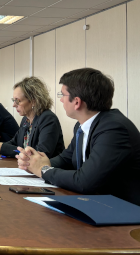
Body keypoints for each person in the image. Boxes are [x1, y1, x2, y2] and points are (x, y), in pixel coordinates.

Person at [17, 68, 140, 205]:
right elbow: (67, 158)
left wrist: (43, 170)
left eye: (62, 94)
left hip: (124, 211)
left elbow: (85, 181)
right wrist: (33, 162)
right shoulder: (82, 126)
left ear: (77, 102)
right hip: (97, 202)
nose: (61, 100)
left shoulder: (114, 129)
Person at [0, 77, 64, 158]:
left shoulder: (48, 119)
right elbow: (15, 142)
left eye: (18, 101)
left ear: (34, 101)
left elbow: (41, 153)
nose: (14, 105)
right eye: (13, 100)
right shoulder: (26, 119)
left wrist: (2, 148)